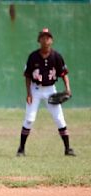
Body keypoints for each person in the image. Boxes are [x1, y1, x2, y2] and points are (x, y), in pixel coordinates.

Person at [16, 28, 75, 157]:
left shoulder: (56, 56)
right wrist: (29, 93)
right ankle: (21, 149)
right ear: (39, 40)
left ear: (51, 40)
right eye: (43, 37)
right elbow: (27, 76)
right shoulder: (33, 56)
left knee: (59, 118)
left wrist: (68, 89)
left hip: (50, 89)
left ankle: (68, 149)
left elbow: (64, 74)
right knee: (29, 119)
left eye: (48, 37)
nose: (45, 39)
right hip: (35, 89)